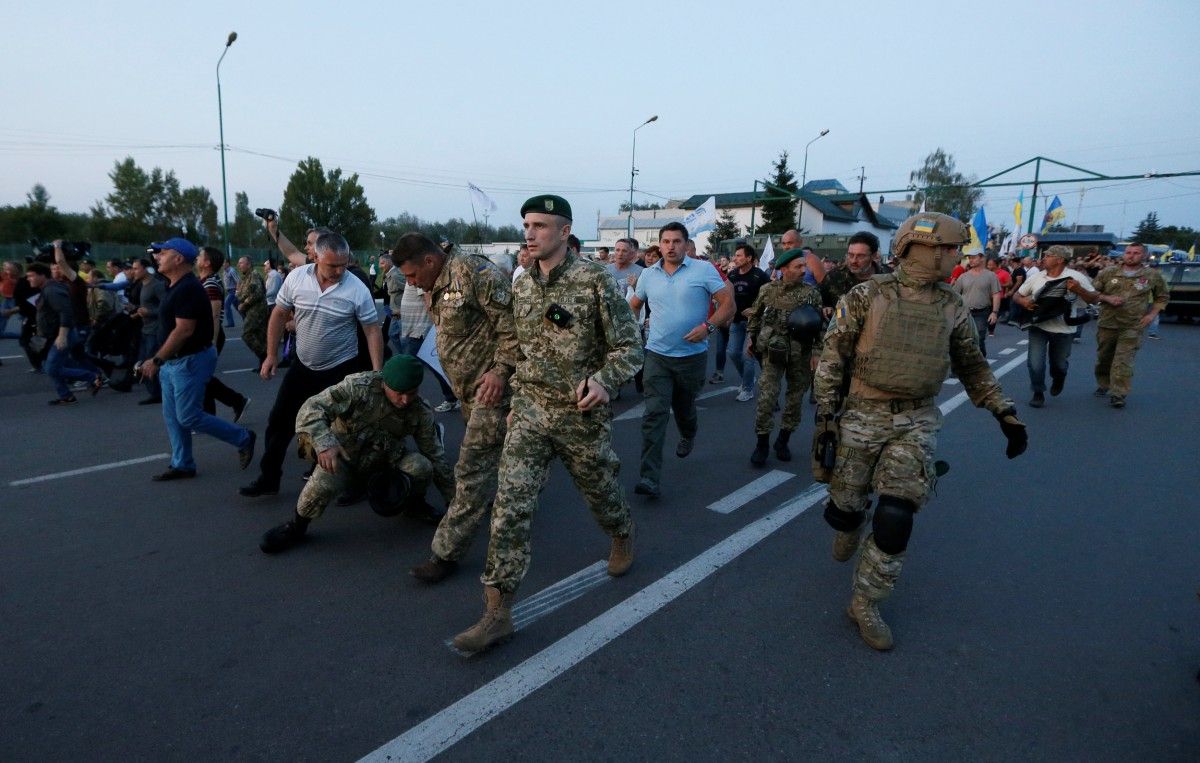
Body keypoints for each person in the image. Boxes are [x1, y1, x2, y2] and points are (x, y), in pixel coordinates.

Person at [814, 212, 1028, 651]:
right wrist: (826, 419)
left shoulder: (951, 306)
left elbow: (971, 365)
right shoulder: (865, 296)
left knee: (896, 516)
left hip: (916, 420)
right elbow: (832, 355)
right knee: (846, 508)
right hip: (861, 412)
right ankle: (849, 520)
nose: (957, 257)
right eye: (950, 249)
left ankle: (865, 602)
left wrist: (1003, 411)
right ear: (919, 249)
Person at [452, 194, 642, 654]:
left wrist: (602, 380)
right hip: (532, 413)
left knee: (600, 492)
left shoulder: (594, 281)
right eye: (526, 225)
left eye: (540, 225)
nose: (530, 233)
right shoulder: (522, 284)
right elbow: (523, 350)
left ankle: (621, 533)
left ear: (564, 231)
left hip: (580, 417)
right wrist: (517, 398)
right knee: (511, 506)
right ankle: (497, 611)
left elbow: (630, 348)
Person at [390, 232, 520, 584]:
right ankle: (515, 499)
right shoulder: (436, 280)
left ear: (430, 261)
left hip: (492, 392)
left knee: (471, 471)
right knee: (505, 457)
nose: (413, 285)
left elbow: (514, 329)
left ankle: (445, 553)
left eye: (413, 276)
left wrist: (500, 370)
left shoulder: (477, 274)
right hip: (467, 393)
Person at [258, 354, 455, 553]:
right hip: (343, 457)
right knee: (321, 484)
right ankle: (297, 526)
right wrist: (325, 444)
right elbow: (311, 408)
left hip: (384, 463)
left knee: (422, 466)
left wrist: (454, 500)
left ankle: (414, 505)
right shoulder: (358, 387)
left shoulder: (420, 411)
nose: (405, 400)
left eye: (411, 393)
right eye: (400, 393)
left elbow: (435, 455)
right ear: (385, 383)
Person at [240, 232, 384, 497]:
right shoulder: (296, 278)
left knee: (345, 429)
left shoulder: (356, 288)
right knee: (279, 422)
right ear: (316, 257)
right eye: (332, 265)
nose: (340, 271)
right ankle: (269, 477)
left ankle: (351, 484)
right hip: (303, 366)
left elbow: (372, 330)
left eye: (343, 264)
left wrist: (377, 373)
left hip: (341, 368)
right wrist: (271, 355)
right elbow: (279, 314)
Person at [627, 222, 733, 498]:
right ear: (659, 244)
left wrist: (708, 327)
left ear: (686, 245)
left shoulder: (703, 270)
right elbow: (634, 306)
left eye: (676, 241)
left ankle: (688, 433)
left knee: (684, 408)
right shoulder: (649, 275)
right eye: (666, 241)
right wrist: (629, 329)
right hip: (657, 356)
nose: (671, 246)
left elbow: (727, 304)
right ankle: (649, 478)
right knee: (654, 414)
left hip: (692, 358)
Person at [137, 238, 256, 481]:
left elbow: (184, 330)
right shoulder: (174, 284)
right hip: (174, 361)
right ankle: (182, 464)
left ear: (179, 259)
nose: (157, 258)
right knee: (172, 417)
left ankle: (243, 437)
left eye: (163, 253)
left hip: (190, 361)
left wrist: (156, 360)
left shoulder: (189, 288)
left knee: (188, 416)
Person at [746, 248, 822, 466]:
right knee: (767, 398)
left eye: (804, 265)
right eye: (798, 266)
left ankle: (783, 440)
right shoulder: (767, 290)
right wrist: (751, 338)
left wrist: (817, 352)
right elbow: (756, 314)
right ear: (784, 269)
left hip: (800, 354)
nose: (803, 270)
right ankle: (762, 443)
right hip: (773, 352)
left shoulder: (811, 293)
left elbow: (819, 325)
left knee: (795, 400)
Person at [1013, 245, 1097, 408]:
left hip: (1064, 328)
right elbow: (1018, 295)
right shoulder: (1037, 277)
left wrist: (1078, 289)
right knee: (1035, 362)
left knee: (1059, 364)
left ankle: (1059, 378)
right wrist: (1023, 301)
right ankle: (1038, 392)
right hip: (1038, 326)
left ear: (1060, 260)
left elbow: (1094, 298)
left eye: (1048, 255)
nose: (1043, 258)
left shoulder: (1075, 276)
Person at [1091, 242, 1169, 408]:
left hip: (1133, 324)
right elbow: (1092, 293)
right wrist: (1107, 298)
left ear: (1144, 256)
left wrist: (1151, 315)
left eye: (1136, 253)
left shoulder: (1151, 275)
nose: (1131, 255)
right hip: (1108, 323)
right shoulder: (1108, 272)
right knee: (1104, 358)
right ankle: (1104, 383)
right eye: (1128, 252)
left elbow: (1162, 297)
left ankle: (1118, 393)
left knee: (1123, 360)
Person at [25, 262, 103, 404]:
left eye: (31, 276)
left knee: (51, 368)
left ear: (42, 275)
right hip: (50, 337)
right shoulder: (47, 289)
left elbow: (65, 312)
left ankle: (93, 376)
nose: (28, 279)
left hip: (61, 336)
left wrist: (62, 336)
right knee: (53, 365)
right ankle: (66, 396)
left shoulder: (52, 290)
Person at [196, 247, 250, 421]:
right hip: (207, 335)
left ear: (207, 263)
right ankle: (218, 410)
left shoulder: (210, 283)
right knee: (202, 376)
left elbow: (213, 315)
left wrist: (210, 342)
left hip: (210, 335)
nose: (197, 258)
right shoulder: (204, 280)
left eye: (200, 256)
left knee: (201, 376)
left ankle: (235, 402)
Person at [726, 241, 770, 402]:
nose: (735, 259)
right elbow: (727, 296)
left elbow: (770, 297)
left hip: (755, 323)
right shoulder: (732, 275)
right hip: (736, 321)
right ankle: (748, 379)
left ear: (749, 258)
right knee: (732, 352)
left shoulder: (760, 275)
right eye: (735, 255)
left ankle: (747, 389)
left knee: (748, 355)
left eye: (739, 255)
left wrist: (757, 311)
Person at [950, 251, 1002, 357]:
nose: (971, 260)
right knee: (962, 339)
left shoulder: (991, 276)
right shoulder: (963, 276)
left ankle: (980, 360)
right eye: (969, 258)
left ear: (981, 258)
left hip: (982, 313)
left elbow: (996, 295)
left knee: (978, 338)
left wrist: (994, 312)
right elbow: (955, 295)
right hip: (964, 313)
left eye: (973, 257)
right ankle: (964, 367)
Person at [234, 256, 268, 362]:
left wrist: (244, 303)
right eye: (239, 263)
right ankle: (263, 362)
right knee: (259, 335)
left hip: (257, 310)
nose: (239, 265)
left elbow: (258, 293)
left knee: (247, 334)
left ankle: (264, 354)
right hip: (252, 310)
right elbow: (240, 292)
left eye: (241, 263)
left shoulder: (254, 275)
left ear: (248, 264)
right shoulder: (245, 277)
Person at [380, 253, 405, 355]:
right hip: (392, 309)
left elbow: (408, 288)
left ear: (389, 262)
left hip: (399, 311)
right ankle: (404, 355)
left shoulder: (395, 274)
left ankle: (407, 357)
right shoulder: (389, 274)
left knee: (403, 337)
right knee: (392, 334)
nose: (380, 266)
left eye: (382, 263)